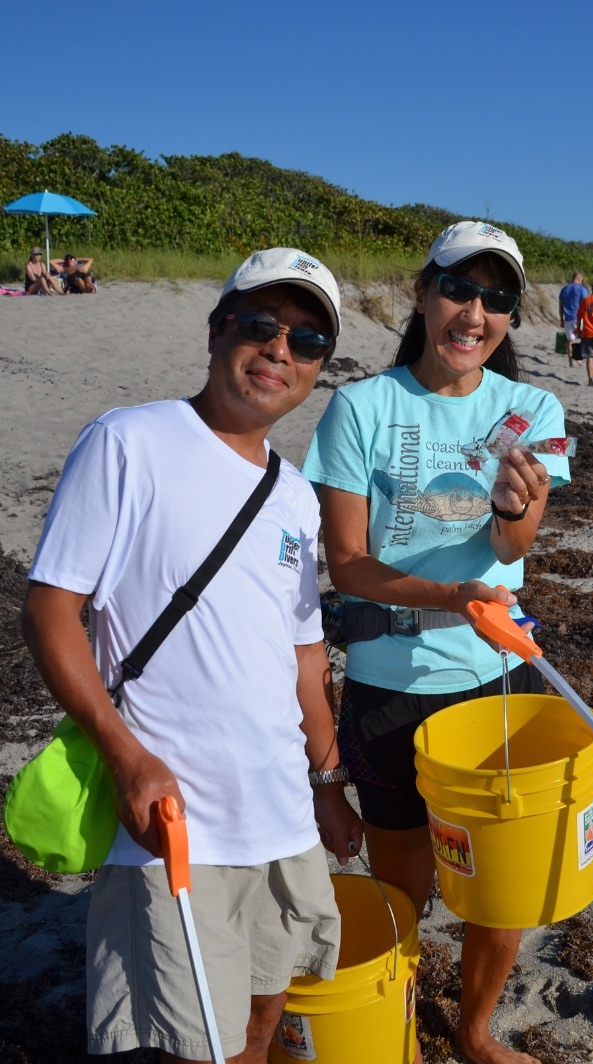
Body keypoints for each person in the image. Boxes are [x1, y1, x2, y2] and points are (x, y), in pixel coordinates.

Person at [21, 248, 362, 1063]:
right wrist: (126, 755)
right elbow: (50, 610)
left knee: (261, 1019)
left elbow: (304, 654)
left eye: (308, 341)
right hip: (177, 824)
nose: (282, 350)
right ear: (217, 332)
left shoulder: (292, 494)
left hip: (282, 816)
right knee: (189, 1042)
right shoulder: (130, 441)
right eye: (260, 325)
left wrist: (328, 782)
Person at [303, 220, 571, 1064]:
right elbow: (347, 566)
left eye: (497, 299)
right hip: (387, 681)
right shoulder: (363, 407)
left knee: (503, 884)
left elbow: (512, 551)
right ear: (422, 294)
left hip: (493, 679)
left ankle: (477, 1029)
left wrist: (511, 508)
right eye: (459, 289)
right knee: (400, 886)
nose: (475, 313)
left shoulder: (531, 412)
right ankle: (397, 1028)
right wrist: (449, 593)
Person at [558, 271, 588, 367]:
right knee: (583, 338)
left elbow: (560, 306)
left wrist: (561, 319)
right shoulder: (582, 289)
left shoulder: (564, 289)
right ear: (579, 279)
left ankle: (570, 362)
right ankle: (578, 358)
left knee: (571, 340)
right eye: (582, 280)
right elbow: (585, 305)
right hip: (578, 317)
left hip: (567, 318)